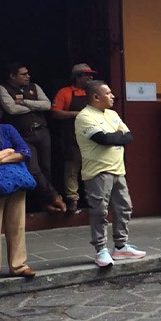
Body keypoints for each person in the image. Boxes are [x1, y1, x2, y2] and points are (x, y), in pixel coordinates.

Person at [75, 80, 147, 267]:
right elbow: (103, 139)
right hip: (98, 171)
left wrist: (116, 137)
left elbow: (129, 137)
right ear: (96, 97)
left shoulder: (113, 114)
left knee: (124, 208)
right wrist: (117, 137)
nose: (112, 96)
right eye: (108, 93)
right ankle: (101, 250)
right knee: (100, 211)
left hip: (118, 170)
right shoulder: (85, 116)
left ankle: (121, 246)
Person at [0, 61, 66, 213]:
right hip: (23, 134)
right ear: (12, 76)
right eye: (23, 74)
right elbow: (11, 109)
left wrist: (24, 102)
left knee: (46, 168)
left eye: (28, 73)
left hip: (42, 131)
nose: (27, 76)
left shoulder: (34, 87)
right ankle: (53, 197)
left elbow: (47, 105)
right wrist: (35, 105)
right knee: (34, 169)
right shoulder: (4, 88)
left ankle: (45, 204)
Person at [51, 63, 97, 214]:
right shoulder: (65, 92)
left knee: (93, 170)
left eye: (91, 75)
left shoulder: (95, 92)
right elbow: (55, 113)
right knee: (72, 170)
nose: (90, 77)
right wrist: (76, 114)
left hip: (92, 137)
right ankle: (73, 200)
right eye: (87, 75)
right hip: (71, 137)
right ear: (77, 77)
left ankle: (93, 200)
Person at [0, 109, 37, 278]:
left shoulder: (7, 129)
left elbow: (24, 151)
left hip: (16, 181)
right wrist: (9, 151)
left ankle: (19, 265)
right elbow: (16, 151)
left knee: (17, 225)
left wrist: (0, 157)